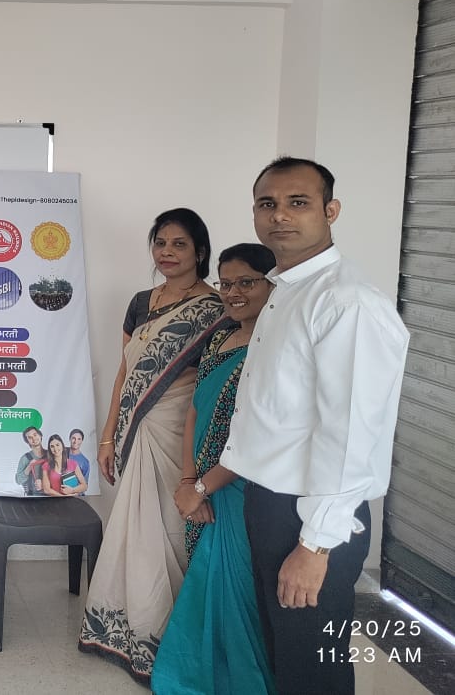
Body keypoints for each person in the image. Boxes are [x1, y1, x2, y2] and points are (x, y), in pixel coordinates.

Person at [220, 157, 409, 695]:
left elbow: (349, 435)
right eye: (267, 204)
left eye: (298, 202)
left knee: (313, 671)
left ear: (331, 211)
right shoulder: (288, 290)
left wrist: (316, 546)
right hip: (273, 500)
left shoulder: (345, 301)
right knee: (288, 656)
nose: (280, 215)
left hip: (311, 514)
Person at [78, 208, 224, 682]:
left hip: (181, 435)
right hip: (137, 431)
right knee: (137, 531)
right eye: (160, 243)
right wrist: (107, 435)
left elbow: (213, 380)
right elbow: (125, 372)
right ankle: (126, 630)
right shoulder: (142, 303)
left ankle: (170, 639)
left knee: (173, 532)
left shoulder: (217, 307)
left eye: (179, 244)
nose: (167, 252)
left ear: (200, 251)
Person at [151, 243, 278, 695]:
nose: (233, 292)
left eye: (247, 282)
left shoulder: (276, 348)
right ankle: (203, 674)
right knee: (207, 583)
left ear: (273, 285)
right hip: (204, 485)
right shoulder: (222, 339)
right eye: (226, 283)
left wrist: (202, 487)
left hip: (243, 489)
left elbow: (260, 439)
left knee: (237, 587)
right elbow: (194, 412)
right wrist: (189, 481)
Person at [14, 425, 46, 495]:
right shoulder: (25, 458)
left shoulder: (50, 454)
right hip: (32, 497)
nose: (34, 438)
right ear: (27, 441)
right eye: (30, 437)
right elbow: (18, 481)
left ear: (40, 435)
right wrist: (29, 467)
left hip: (51, 495)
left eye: (35, 435)